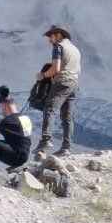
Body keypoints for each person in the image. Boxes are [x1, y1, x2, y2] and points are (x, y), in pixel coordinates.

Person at [35, 25, 81, 157]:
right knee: (67, 116)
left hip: (61, 82)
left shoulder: (58, 47)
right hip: (74, 83)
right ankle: (66, 147)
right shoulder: (75, 49)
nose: (49, 39)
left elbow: (56, 69)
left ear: (58, 35)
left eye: (51, 36)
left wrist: (42, 76)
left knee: (49, 109)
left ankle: (45, 140)